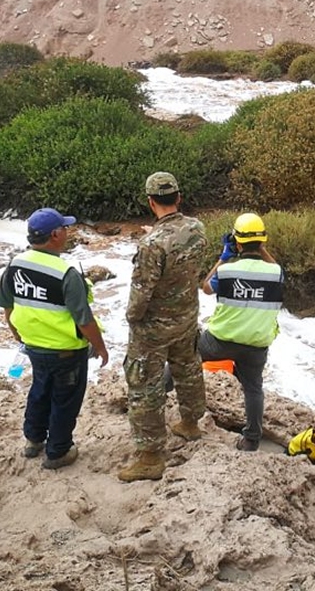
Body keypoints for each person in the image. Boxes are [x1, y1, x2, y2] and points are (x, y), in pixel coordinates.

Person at [0, 208, 108, 470]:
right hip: (67, 351)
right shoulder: (66, 273)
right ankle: (58, 452)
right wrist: (100, 348)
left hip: (34, 346)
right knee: (65, 400)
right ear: (55, 235)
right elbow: (84, 319)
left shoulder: (14, 265)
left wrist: (18, 337)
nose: (68, 232)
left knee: (39, 391)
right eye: (65, 228)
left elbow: (7, 307)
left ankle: (33, 440)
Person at [119, 172, 208, 482]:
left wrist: (132, 318)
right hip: (186, 318)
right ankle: (191, 423)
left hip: (154, 328)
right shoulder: (197, 229)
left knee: (144, 386)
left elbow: (140, 294)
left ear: (150, 201)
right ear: (178, 198)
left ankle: (151, 456)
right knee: (188, 368)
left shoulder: (151, 244)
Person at [199, 213, 284, 451]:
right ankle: (251, 440)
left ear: (236, 242)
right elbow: (276, 267)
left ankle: (158, 397)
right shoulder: (275, 273)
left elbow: (205, 287)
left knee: (184, 358)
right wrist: (262, 250)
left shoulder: (227, 271)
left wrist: (223, 257)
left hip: (220, 340)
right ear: (263, 242)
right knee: (253, 388)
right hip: (256, 344)